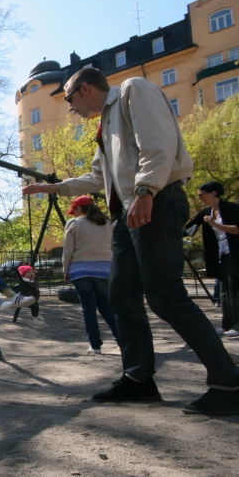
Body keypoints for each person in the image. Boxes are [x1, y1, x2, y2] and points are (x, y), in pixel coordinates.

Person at [23, 67, 239, 416]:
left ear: (86, 88)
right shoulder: (105, 127)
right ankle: (139, 380)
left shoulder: (132, 91)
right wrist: (55, 187)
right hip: (128, 210)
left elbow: (159, 142)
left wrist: (145, 190)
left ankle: (229, 381)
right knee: (120, 293)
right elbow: (97, 177)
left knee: (164, 294)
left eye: (69, 99)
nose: (70, 109)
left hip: (156, 199)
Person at [62, 195, 119, 354]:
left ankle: (95, 345)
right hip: (103, 269)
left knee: (88, 308)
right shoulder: (108, 224)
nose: (73, 214)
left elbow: (68, 251)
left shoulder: (74, 224)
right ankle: (121, 341)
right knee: (107, 307)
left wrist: (66, 270)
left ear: (80, 208)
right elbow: (113, 248)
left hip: (80, 269)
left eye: (74, 210)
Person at [184, 181, 239, 336]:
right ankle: (227, 325)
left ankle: (237, 325)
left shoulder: (232, 209)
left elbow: (237, 229)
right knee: (224, 290)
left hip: (235, 253)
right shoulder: (206, 212)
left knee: (234, 289)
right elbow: (189, 228)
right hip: (221, 255)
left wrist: (215, 224)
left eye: (202, 194)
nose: (199, 197)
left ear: (214, 193)